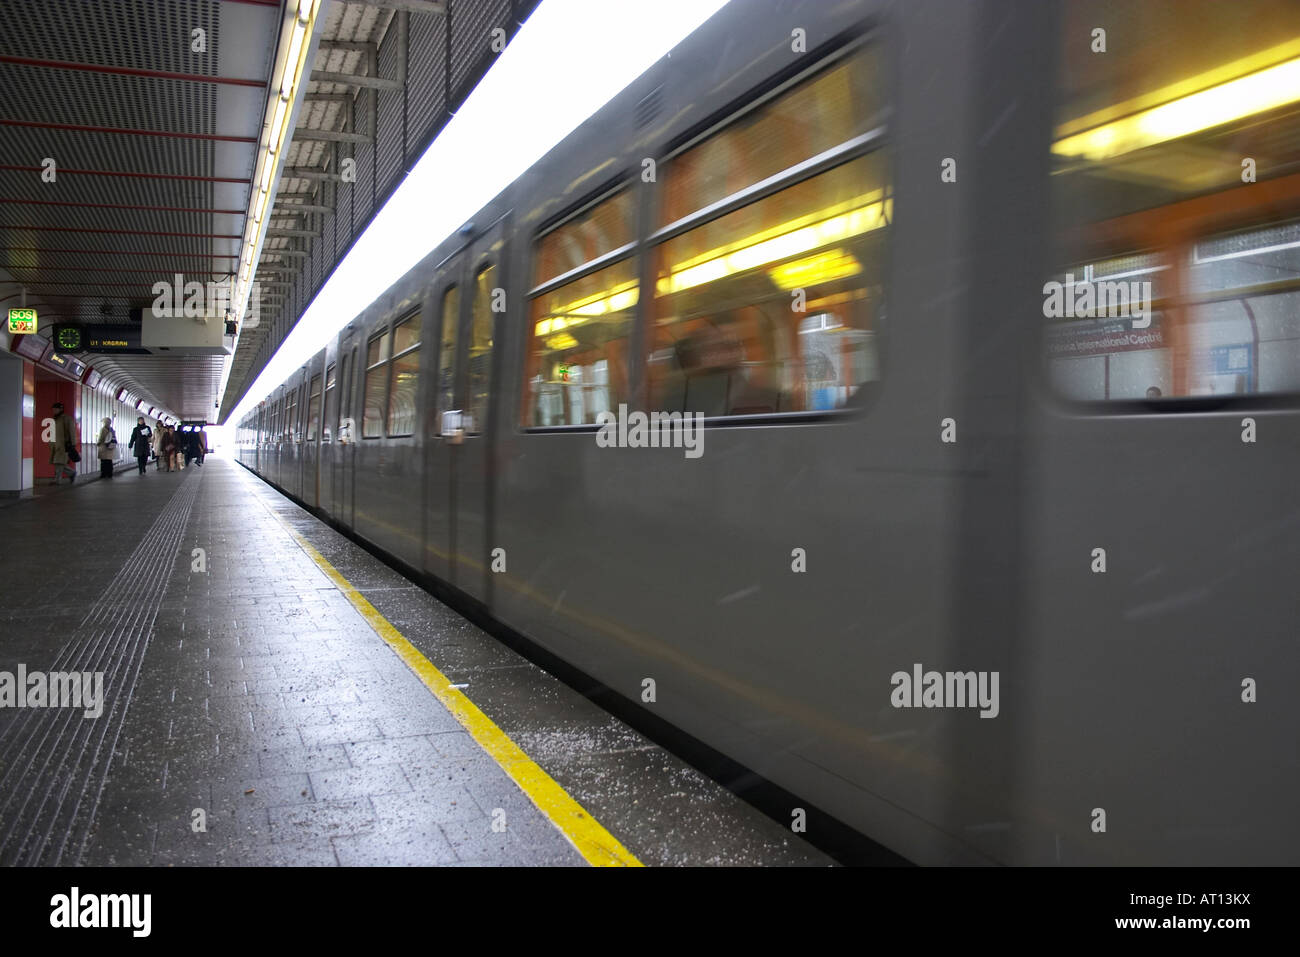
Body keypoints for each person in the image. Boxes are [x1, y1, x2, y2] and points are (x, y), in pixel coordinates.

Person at [49, 400, 79, 484]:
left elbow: (72, 431)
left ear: (61, 409)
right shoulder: (55, 419)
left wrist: (73, 443)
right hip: (55, 445)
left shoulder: (66, 419)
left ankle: (57, 479)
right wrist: (50, 443)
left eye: (56, 409)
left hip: (64, 445)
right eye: (53, 409)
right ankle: (72, 473)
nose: (54, 410)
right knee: (59, 462)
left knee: (58, 462)